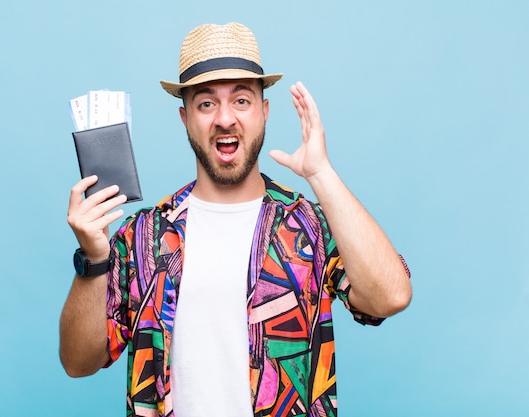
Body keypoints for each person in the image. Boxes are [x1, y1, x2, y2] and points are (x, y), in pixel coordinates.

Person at [60, 22, 412, 417]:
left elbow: (391, 297)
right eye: (206, 103)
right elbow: (79, 363)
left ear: (263, 112)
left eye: (241, 101)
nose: (225, 119)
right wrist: (93, 260)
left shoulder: (308, 225)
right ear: (185, 119)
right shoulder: (143, 235)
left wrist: (321, 175)